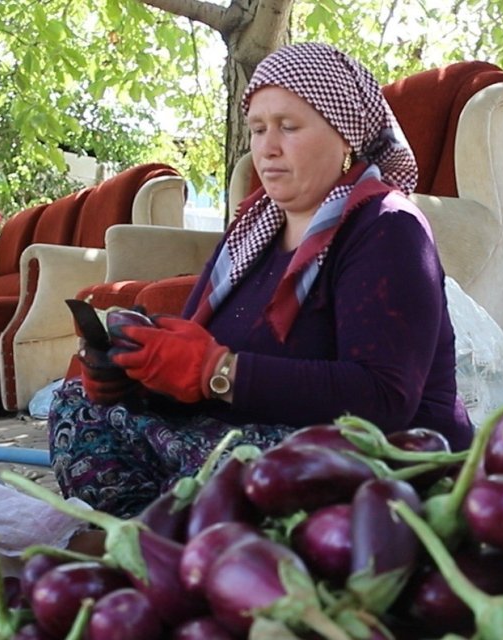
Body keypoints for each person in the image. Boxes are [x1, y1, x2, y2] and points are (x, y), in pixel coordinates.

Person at [48, 42, 473, 517]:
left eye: (289, 127)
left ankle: (179, 536)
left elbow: (383, 398)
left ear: (346, 134)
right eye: (258, 129)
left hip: (384, 458)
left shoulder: (387, 226)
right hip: (253, 432)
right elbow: (194, 365)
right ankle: (150, 536)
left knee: (238, 463)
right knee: (79, 409)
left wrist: (222, 372)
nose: (267, 147)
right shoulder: (251, 229)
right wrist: (135, 376)